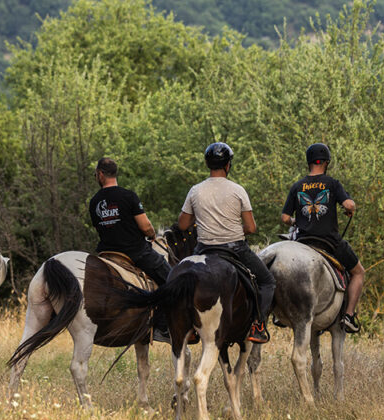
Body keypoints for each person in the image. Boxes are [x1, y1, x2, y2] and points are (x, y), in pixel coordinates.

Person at [177, 142, 275, 343]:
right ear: (228, 165)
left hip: (203, 249)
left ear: (207, 164)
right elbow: (251, 228)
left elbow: (183, 224)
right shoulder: (238, 190)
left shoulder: (195, 191)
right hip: (235, 249)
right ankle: (258, 325)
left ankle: (188, 325)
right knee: (267, 281)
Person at [281, 143, 365, 333]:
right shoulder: (332, 184)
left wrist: (297, 221)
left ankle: (281, 312)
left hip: (303, 242)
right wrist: (348, 207)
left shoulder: (297, 186)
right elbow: (350, 205)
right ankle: (349, 316)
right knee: (359, 273)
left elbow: (285, 218)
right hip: (329, 242)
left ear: (308, 162)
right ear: (326, 162)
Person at [89, 157, 173, 341]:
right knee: (173, 280)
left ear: (101, 174)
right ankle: (163, 326)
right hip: (135, 252)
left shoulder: (94, 201)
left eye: (96, 174)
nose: (96, 176)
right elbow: (145, 227)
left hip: (106, 254)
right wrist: (151, 235)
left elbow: (101, 229)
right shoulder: (128, 196)